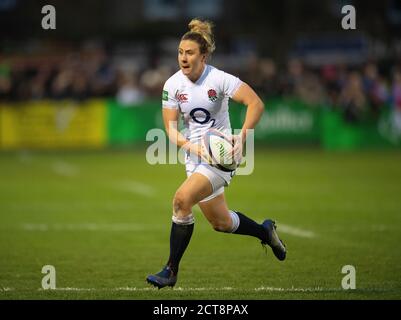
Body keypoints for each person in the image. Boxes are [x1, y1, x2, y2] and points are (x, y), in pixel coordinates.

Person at [146, 19, 286, 289]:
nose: (183, 58)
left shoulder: (220, 79)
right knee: (220, 222)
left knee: (181, 200)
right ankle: (265, 232)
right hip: (195, 157)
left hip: (221, 156)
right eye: (180, 52)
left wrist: (242, 137)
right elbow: (171, 130)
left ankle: (170, 270)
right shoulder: (172, 85)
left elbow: (255, 103)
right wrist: (192, 147)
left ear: (203, 56)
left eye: (189, 53)